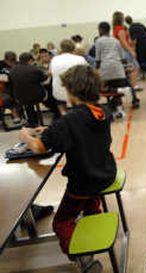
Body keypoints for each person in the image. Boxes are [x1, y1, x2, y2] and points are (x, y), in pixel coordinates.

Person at [19, 65, 116, 273]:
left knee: (61, 221)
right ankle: (92, 224)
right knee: (90, 204)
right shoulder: (102, 112)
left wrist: (25, 137)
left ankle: (83, 260)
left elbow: (38, 146)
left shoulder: (69, 120)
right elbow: (80, 132)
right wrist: (50, 130)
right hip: (104, 173)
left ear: (71, 91)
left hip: (83, 182)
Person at [95, 21, 140, 113]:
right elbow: (122, 58)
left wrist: (97, 70)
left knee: (103, 88)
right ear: (109, 30)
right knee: (126, 83)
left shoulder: (98, 41)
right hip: (118, 68)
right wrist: (125, 67)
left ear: (100, 30)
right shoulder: (116, 41)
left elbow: (98, 58)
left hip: (105, 69)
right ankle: (135, 101)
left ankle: (115, 99)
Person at [9, 52, 48, 127]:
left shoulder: (12, 70)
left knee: (27, 100)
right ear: (30, 60)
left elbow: (10, 80)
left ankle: (32, 121)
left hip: (19, 97)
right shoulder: (34, 69)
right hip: (37, 96)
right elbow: (44, 78)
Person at [49, 39, 87, 115]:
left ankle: (63, 114)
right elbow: (88, 73)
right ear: (73, 48)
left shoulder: (54, 59)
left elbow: (50, 73)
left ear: (61, 48)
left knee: (59, 95)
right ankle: (78, 113)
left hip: (58, 94)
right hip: (76, 93)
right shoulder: (80, 59)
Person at [112, 11, 142, 92]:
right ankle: (134, 86)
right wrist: (131, 51)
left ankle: (131, 85)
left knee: (129, 68)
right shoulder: (120, 29)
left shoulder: (115, 29)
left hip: (120, 51)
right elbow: (123, 42)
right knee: (134, 67)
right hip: (124, 51)